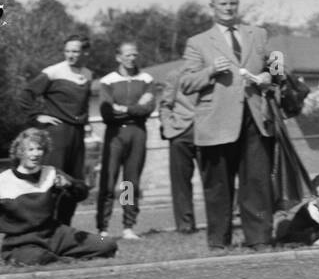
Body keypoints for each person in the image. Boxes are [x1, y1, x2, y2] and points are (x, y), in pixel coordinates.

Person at [180, 0, 277, 252]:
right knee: (218, 186)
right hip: (216, 122)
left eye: (233, 3)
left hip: (254, 118)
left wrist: (270, 76)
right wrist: (210, 70)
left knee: (256, 181)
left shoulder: (258, 34)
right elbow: (186, 83)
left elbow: (276, 63)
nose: (228, 8)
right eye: (222, 4)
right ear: (212, 8)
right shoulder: (197, 42)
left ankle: (259, 238)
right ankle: (219, 241)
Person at [0, 128, 118, 265]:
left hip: (56, 234)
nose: (35, 153)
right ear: (20, 152)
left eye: (39, 149)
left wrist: (69, 185)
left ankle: (59, 257)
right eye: (30, 149)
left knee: (107, 244)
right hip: (21, 242)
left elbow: (82, 193)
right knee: (37, 258)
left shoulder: (51, 173)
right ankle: (63, 260)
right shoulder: (1, 181)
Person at [19, 34, 93, 225]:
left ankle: (64, 226)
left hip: (77, 134)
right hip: (57, 133)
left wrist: (86, 123)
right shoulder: (52, 72)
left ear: (85, 52)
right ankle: (46, 226)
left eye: (75, 51)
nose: (71, 55)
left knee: (75, 181)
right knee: (54, 178)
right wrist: (37, 116)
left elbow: (82, 105)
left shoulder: (88, 74)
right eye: (67, 51)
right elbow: (26, 95)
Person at [95, 41, 154, 239]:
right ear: (118, 57)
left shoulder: (146, 79)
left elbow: (148, 108)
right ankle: (103, 227)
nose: (132, 58)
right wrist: (135, 109)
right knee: (109, 180)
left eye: (134, 55)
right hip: (115, 135)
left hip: (137, 133)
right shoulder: (108, 81)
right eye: (127, 55)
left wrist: (125, 109)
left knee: (130, 182)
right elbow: (107, 112)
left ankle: (128, 226)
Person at [159, 68, 199, 234]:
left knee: (216, 181)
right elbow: (165, 104)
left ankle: (219, 222)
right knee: (180, 182)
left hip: (209, 131)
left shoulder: (216, 69)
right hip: (180, 132)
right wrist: (168, 127)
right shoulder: (175, 75)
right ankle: (185, 224)